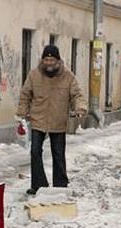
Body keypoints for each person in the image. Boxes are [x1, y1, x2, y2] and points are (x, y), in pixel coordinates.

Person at [16, 45, 87, 195]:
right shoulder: (34, 75)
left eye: (51, 59)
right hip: (38, 119)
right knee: (35, 151)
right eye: (46, 59)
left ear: (57, 60)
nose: (48, 62)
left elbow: (77, 95)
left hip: (58, 120)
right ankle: (38, 185)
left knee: (58, 153)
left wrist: (80, 108)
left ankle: (60, 185)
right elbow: (25, 94)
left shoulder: (68, 76)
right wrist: (22, 113)